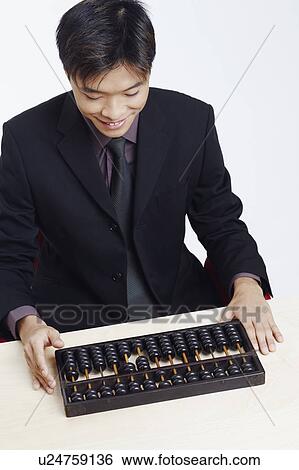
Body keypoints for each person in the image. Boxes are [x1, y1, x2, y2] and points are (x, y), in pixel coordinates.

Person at [0, 0, 283, 394]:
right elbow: (9, 251)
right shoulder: (24, 139)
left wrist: (247, 283)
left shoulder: (190, 120)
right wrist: (26, 320)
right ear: (69, 75)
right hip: (73, 325)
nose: (114, 112)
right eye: (93, 94)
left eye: (132, 91)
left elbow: (220, 220)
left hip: (181, 310)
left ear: (148, 73)